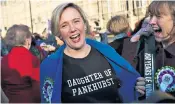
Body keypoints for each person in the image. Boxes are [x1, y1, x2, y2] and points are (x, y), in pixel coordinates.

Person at [40, 2, 145, 103]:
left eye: (76, 21)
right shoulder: (50, 67)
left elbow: (126, 85)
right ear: (59, 34)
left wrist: (136, 87)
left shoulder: (107, 52)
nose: (72, 28)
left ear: (84, 24)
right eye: (64, 25)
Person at [133, 1, 175, 97]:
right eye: (151, 16)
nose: (151, 21)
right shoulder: (148, 53)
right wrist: (137, 87)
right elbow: (125, 71)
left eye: (158, 16)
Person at [1, 24, 40, 103]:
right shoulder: (32, 59)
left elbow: (3, 85)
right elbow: (37, 89)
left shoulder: (3, 60)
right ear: (27, 40)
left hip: (12, 100)